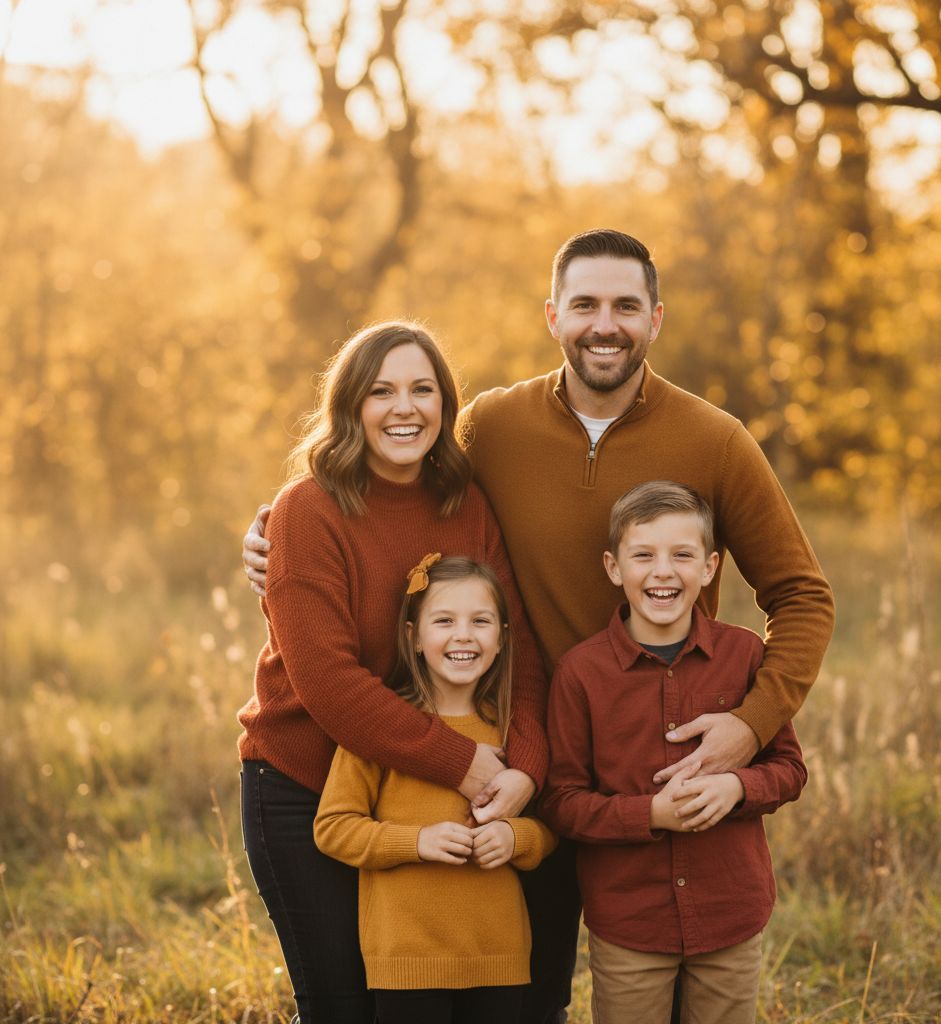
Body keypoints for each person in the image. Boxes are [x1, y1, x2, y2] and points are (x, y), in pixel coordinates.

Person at [243, 229, 835, 1022]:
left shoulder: (713, 440)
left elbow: (802, 595)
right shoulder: (495, 427)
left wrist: (749, 724)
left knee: (531, 1000)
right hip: (463, 766)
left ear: (656, 318)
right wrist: (272, 538)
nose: (605, 324)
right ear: (552, 315)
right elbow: (371, 482)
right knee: (368, 1000)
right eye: (585, 304)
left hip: (589, 765)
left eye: (626, 306)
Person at [237, 321, 549, 1023]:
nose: (403, 407)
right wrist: (465, 763)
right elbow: (330, 686)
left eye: (421, 389)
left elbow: (520, 651)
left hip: (421, 789)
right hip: (305, 782)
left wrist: (522, 770)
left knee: (418, 999)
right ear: (350, 407)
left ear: (446, 405)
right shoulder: (307, 510)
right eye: (380, 391)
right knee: (343, 1005)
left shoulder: (464, 505)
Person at [541, 481, 806, 1024]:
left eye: (681, 555)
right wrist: (650, 814)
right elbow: (561, 800)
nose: (663, 571)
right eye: (644, 556)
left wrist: (737, 787)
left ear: (709, 568)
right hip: (630, 926)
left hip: (730, 916)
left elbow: (789, 769)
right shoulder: (580, 674)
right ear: (614, 568)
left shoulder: (744, 655)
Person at [314, 555, 557, 1024]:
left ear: (504, 638)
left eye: (480, 621)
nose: (463, 635)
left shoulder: (513, 731)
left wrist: (515, 839)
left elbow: (551, 827)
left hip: (499, 958)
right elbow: (333, 828)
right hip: (407, 961)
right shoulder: (382, 730)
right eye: (444, 620)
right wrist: (416, 841)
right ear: (414, 637)